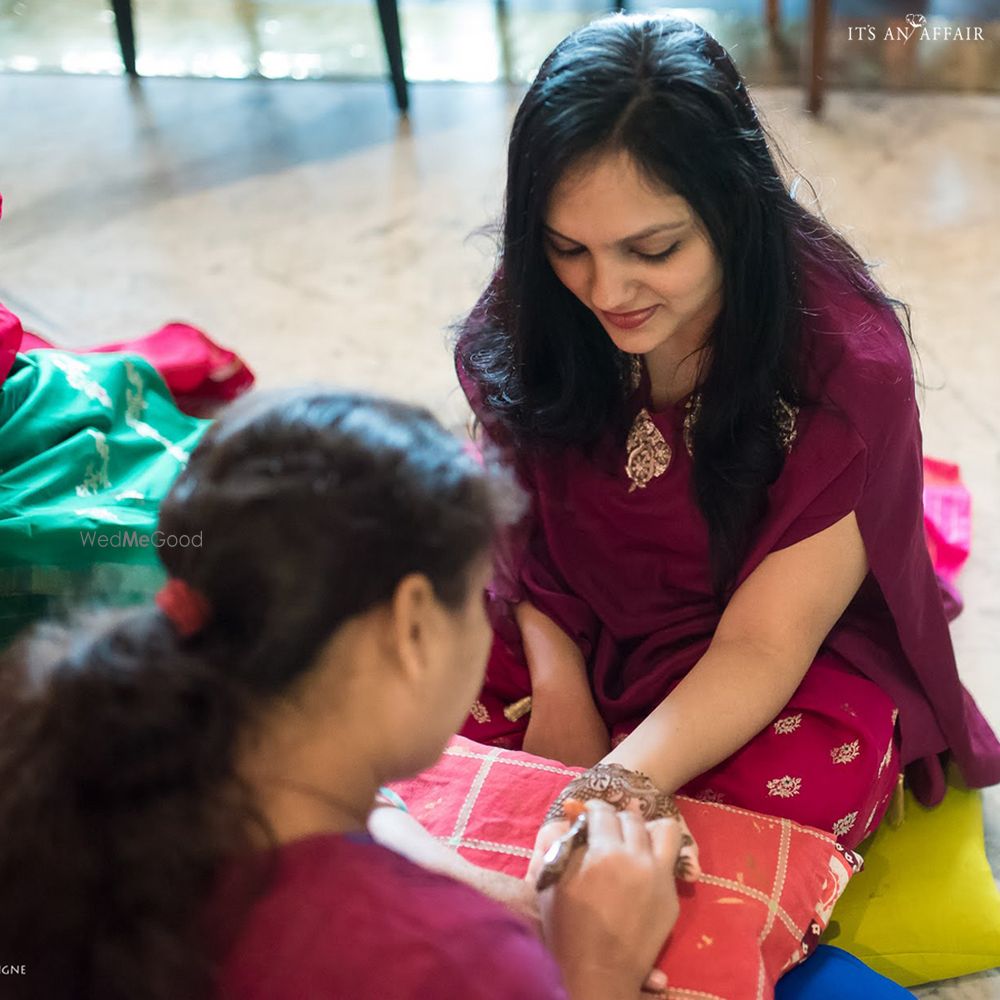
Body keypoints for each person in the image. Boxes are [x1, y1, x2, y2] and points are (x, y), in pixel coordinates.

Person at [454, 13, 1000, 859]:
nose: (605, 288)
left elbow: (762, 644)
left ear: (735, 210)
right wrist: (559, 679)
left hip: (765, 656)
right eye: (569, 247)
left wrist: (612, 780)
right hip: (565, 609)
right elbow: (511, 504)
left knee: (811, 779)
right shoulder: (544, 301)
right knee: (392, 679)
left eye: (655, 248)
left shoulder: (844, 371)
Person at [0, 387, 684, 1000]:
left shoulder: (71, 775)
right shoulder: (457, 963)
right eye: (476, 600)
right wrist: (596, 973)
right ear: (413, 622)